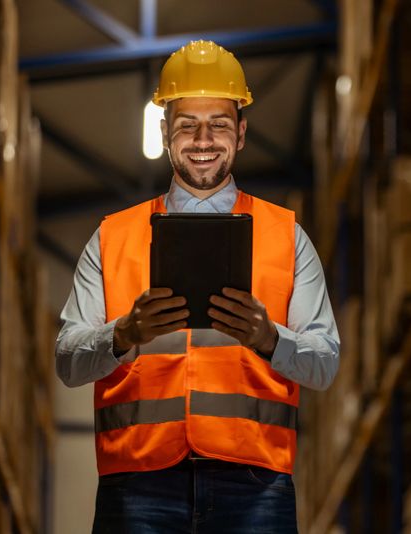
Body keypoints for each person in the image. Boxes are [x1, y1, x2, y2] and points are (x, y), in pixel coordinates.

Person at [55, 40, 340, 533]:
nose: (203, 139)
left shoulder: (287, 236)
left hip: (255, 486)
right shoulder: (113, 236)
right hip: (136, 484)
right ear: (165, 132)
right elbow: (67, 360)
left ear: (242, 133)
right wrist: (122, 333)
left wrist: (269, 338)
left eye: (219, 124)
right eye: (187, 124)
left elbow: (325, 363)